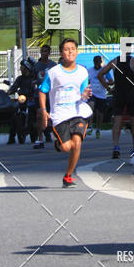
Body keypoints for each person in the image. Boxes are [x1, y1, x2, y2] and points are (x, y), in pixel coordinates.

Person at [38, 38, 92, 187]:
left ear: (77, 51)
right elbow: (42, 91)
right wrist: (44, 111)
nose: (70, 52)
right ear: (61, 53)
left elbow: (82, 93)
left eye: (73, 49)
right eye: (67, 49)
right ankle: (58, 144)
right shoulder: (53, 72)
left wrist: (85, 95)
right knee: (66, 147)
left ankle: (68, 175)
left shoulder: (82, 71)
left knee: (77, 143)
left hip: (78, 111)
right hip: (60, 114)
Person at [98, 52, 134, 159]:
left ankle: (116, 146)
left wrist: (108, 88)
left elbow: (100, 75)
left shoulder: (114, 61)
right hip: (131, 94)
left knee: (117, 121)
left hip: (118, 94)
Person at [6, 60, 37, 144]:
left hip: (31, 99)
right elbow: (14, 86)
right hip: (22, 99)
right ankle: (11, 138)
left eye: (22, 66)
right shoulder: (20, 78)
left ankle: (42, 133)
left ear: (26, 67)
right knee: (15, 115)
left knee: (36, 114)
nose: (20, 68)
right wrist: (9, 91)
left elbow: (36, 87)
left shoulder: (33, 78)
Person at [33, 44, 56, 148]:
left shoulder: (53, 65)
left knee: (53, 117)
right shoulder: (36, 66)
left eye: (46, 51)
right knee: (39, 116)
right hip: (39, 95)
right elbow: (33, 80)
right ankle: (40, 139)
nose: (44, 53)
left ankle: (57, 136)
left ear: (49, 53)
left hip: (51, 95)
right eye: (42, 51)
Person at [87, 55, 111, 137]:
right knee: (91, 108)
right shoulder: (89, 70)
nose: (97, 63)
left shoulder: (105, 71)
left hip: (101, 94)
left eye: (98, 61)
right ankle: (90, 127)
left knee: (99, 113)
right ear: (93, 62)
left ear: (101, 62)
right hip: (92, 93)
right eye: (95, 61)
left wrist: (104, 82)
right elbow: (86, 80)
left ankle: (98, 128)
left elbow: (111, 81)